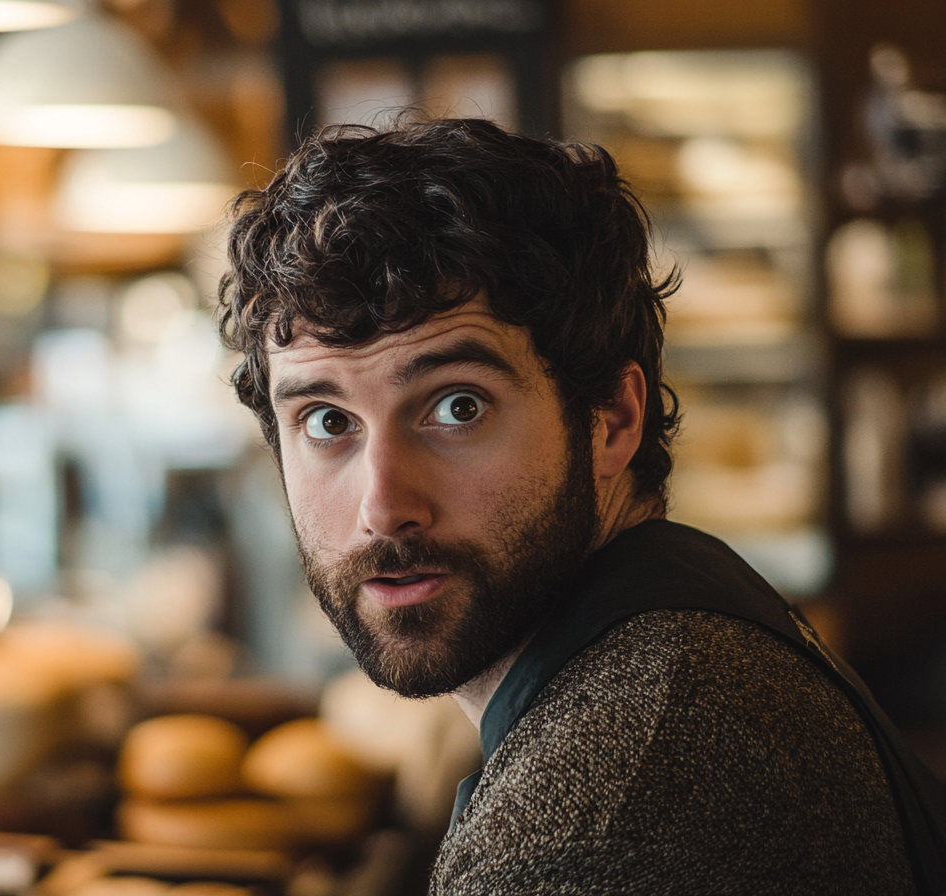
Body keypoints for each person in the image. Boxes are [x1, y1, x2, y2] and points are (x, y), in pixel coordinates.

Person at [216, 119, 923, 893]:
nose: (383, 507)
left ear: (612, 420)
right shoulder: (684, 634)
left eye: (457, 407)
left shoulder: (590, 830)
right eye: (327, 422)